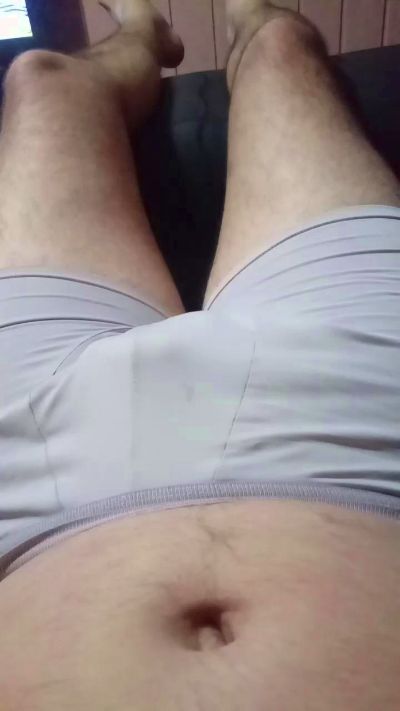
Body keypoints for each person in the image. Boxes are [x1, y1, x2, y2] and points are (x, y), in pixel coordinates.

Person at [0, 0, 399, 708]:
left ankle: (179, 25)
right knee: (282, 51)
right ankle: (161, 31)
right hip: (370, 437)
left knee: (40, 81)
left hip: (26, 487)